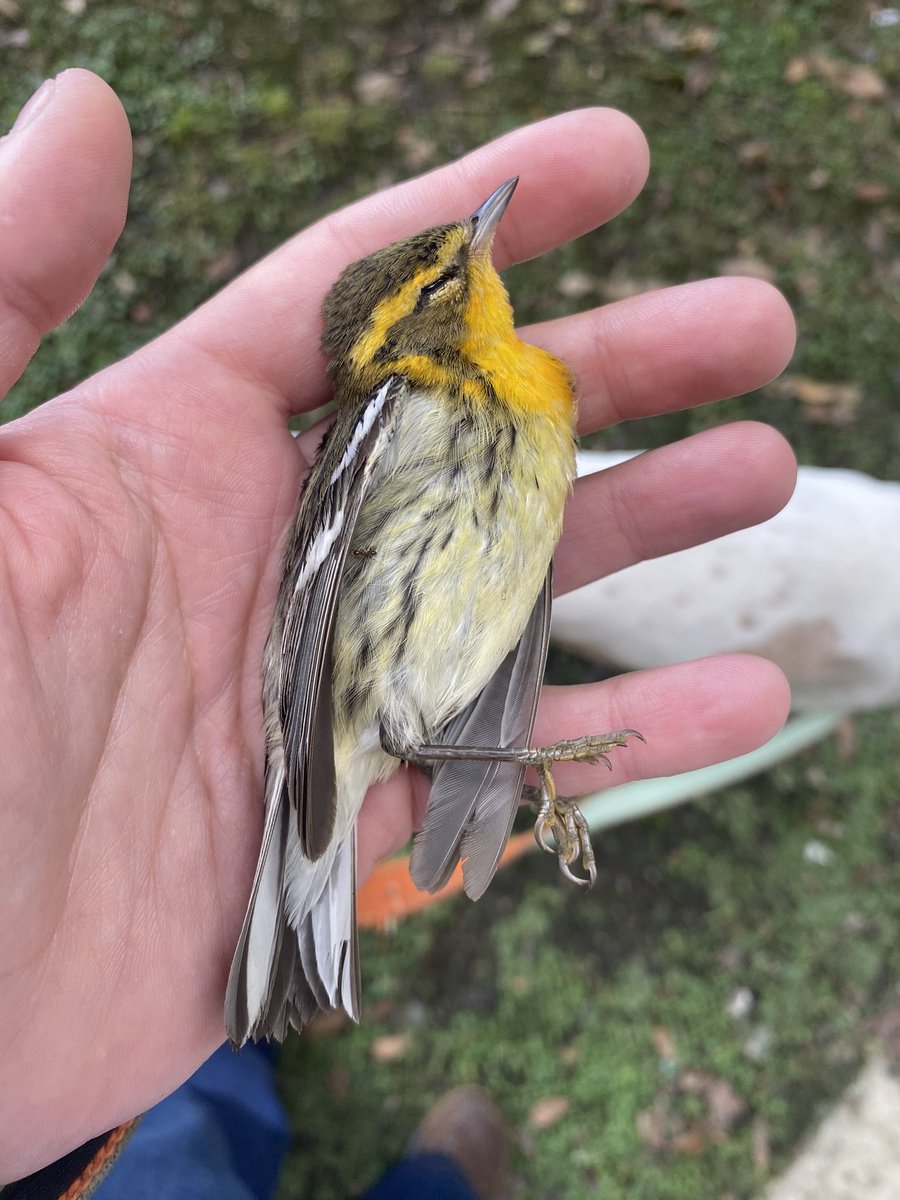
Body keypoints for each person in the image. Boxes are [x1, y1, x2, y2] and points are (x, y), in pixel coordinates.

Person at [0, 69, 796, 1188]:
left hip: (414, 685)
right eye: (451, 272)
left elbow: (519, 581)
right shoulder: (397, 401)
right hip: (347, 690)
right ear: (426, 323)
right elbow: (315, 590)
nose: (482, 248)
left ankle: (280, 1002)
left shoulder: (531, 395)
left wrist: (507, 731)